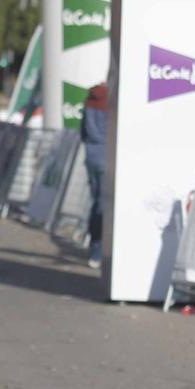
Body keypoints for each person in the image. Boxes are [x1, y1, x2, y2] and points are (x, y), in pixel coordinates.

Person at [81, 82, 109, 268]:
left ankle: (95, 247)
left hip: (92, 154)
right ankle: (101, 250)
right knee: (104, 204)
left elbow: (83, 131)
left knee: (96, 202)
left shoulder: (90, 99)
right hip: (109, 154)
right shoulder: (112, 99)